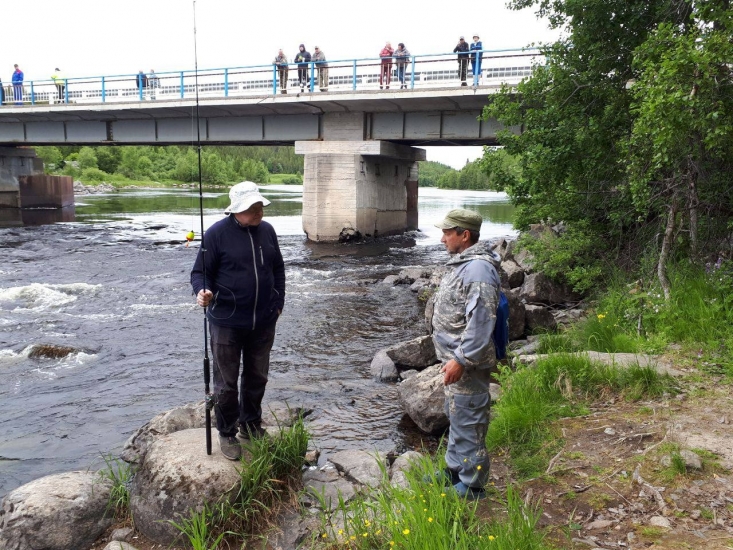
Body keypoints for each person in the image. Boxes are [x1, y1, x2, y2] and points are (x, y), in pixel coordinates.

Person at [191, 181, 285, 461]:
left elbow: (278, 268)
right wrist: (202, 292)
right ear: (235, 210)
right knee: (226, 383)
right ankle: (227, 432)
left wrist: (278, 303)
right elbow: (200, 273)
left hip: (263, 321)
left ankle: (251, 424)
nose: (258, 211)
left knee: (258, 377)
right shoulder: (216, 234)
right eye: (251, 207)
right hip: (226, 323)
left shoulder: (267, 231)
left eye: (259, 206)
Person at [427, 209, 500, 500]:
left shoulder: (478, 269)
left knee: (469, 422)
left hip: (466, 364)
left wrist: (461, 359)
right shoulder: (464, 263)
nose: (443, 238)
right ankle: (455, 469)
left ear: (464, 235)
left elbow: (482, 321)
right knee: (457, 416)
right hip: (455, 361)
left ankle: (473, 486)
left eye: (448, 232)